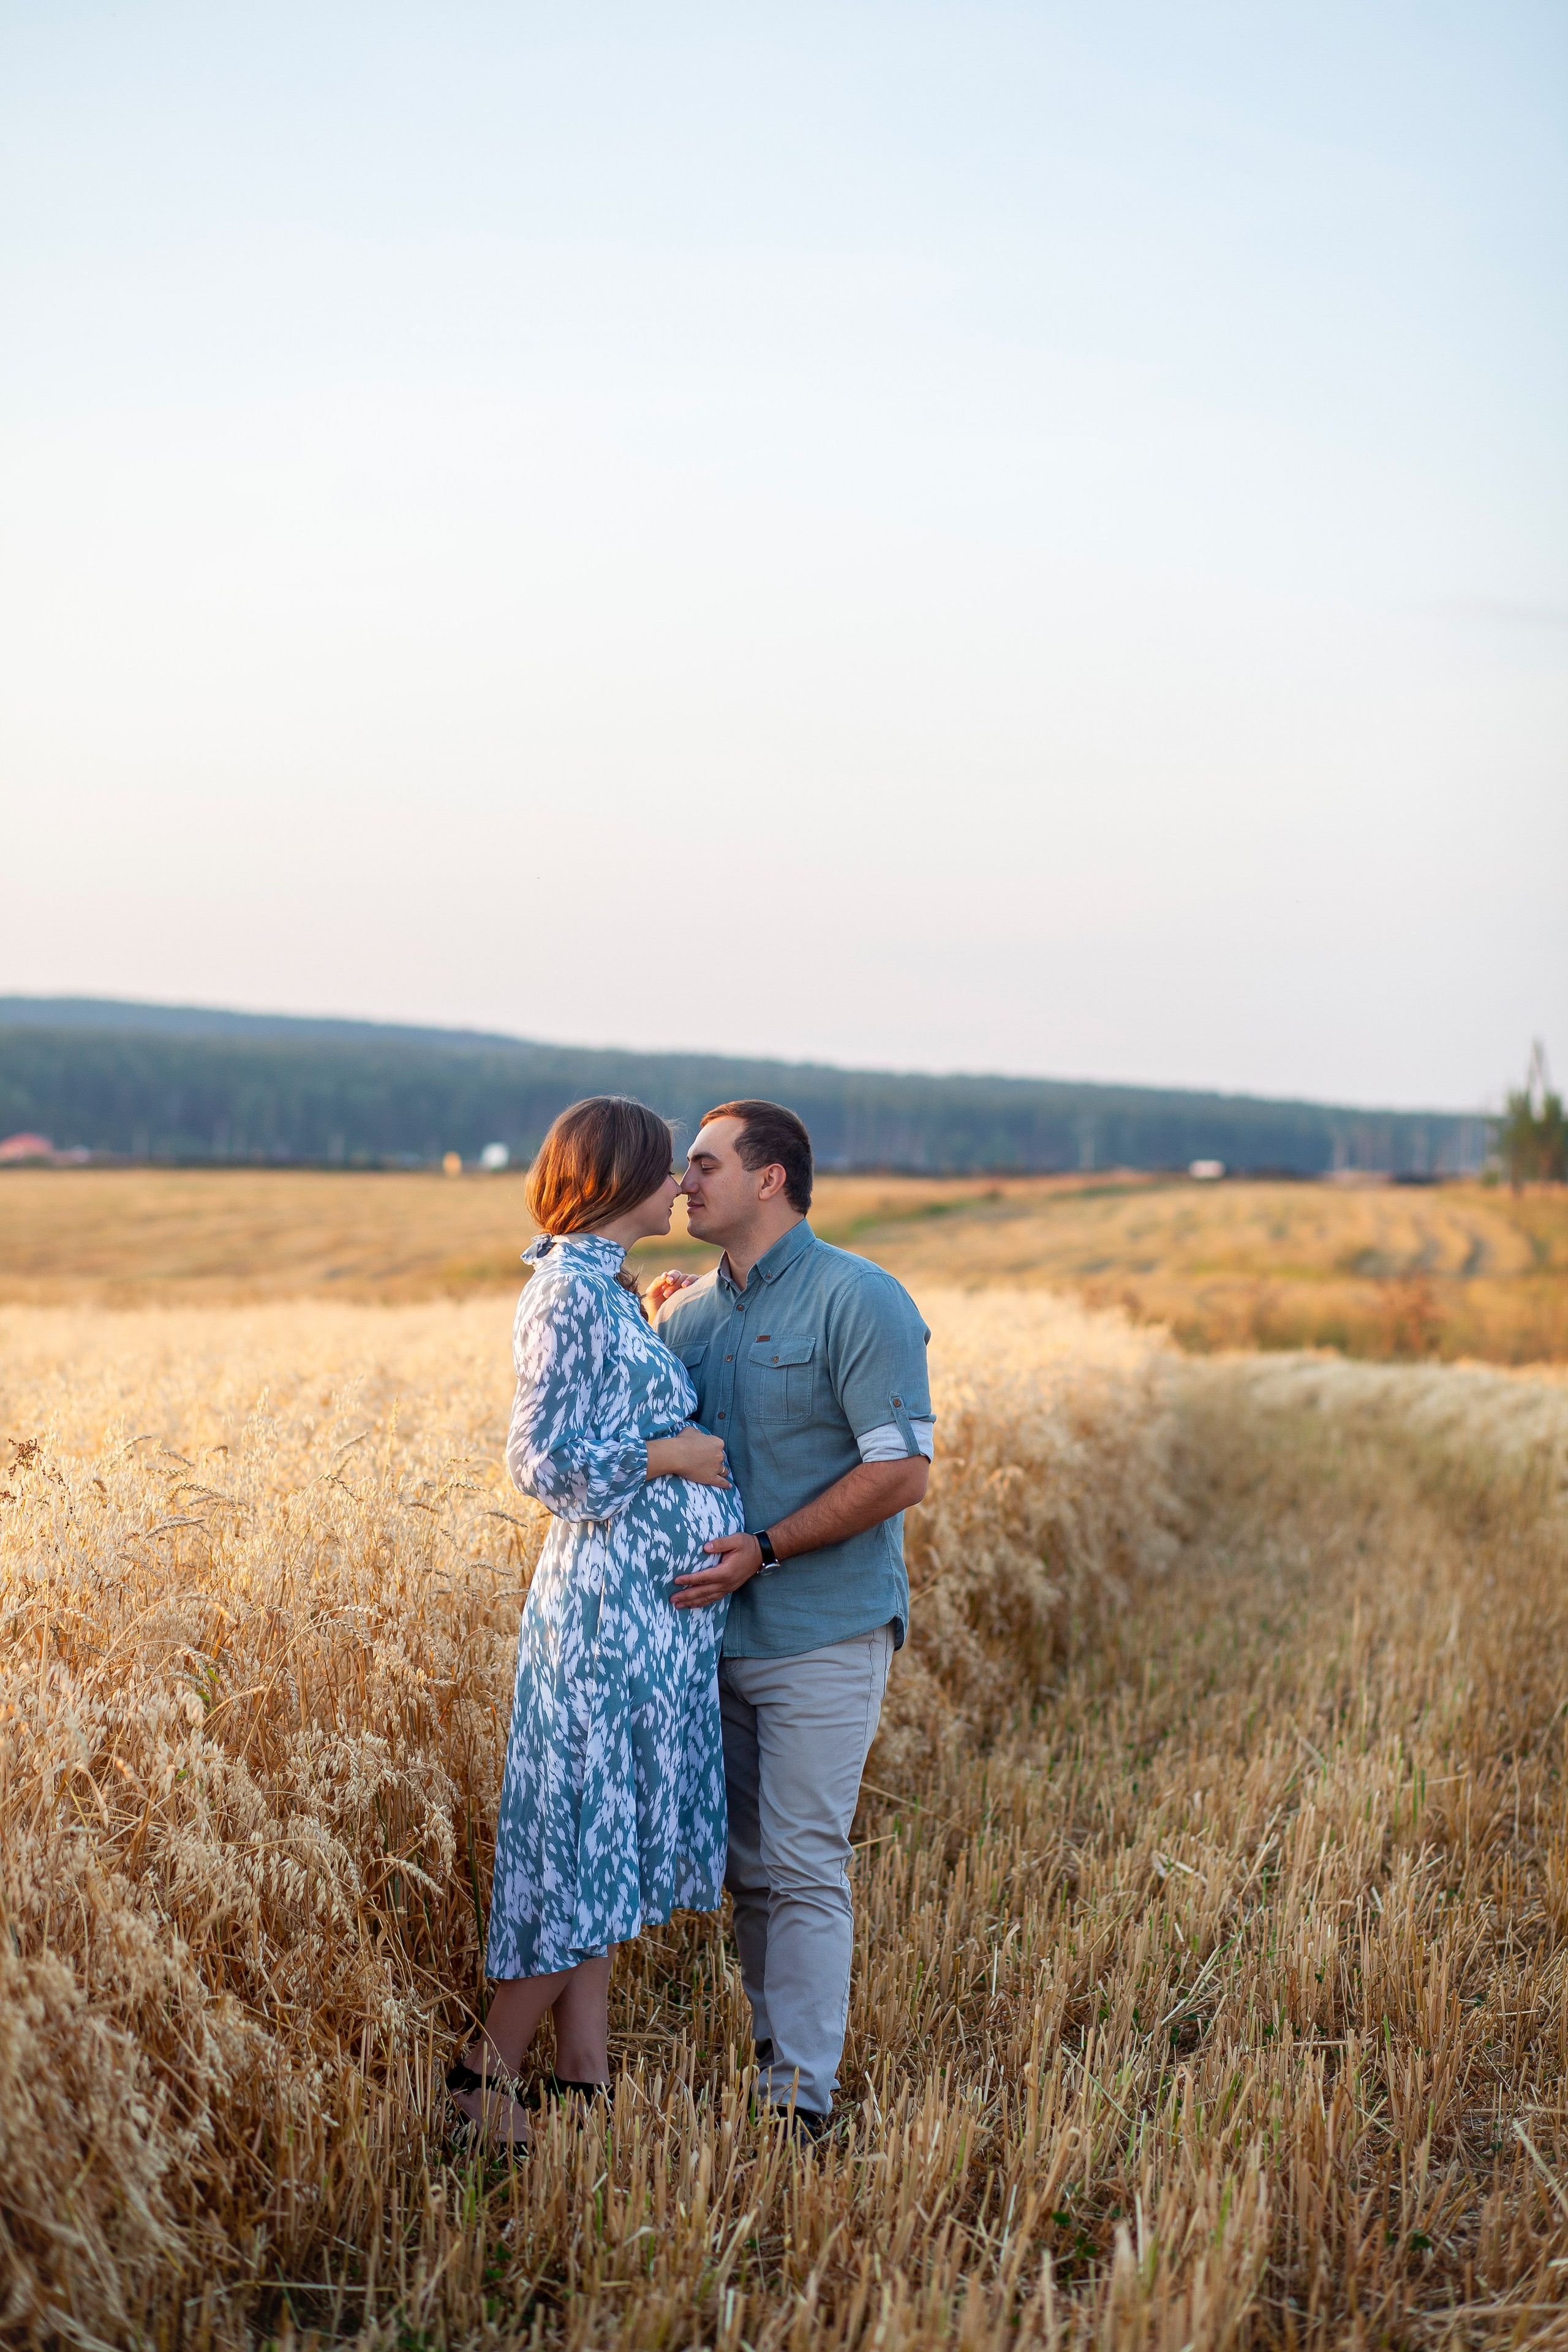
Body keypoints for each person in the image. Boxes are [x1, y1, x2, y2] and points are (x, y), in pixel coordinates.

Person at [447, 1096, 743, 2151]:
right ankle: (480, 2082)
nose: (679, 1187)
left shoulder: (603, 1292)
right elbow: (543, 1464)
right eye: (666, 1171)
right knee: (578, 1844)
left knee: (605, 1836)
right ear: (618, 1181)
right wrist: (673, 1456)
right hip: (605, 1616)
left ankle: (584, 2076)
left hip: (644, 1619)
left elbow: (604, 1412)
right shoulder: (566, 1295)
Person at [649, 1099, 933, 2139]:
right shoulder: (688, 1317)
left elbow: (901, 1472)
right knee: (751, 1873)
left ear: (771, 1179)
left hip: (824, 1626)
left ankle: (803, 2100)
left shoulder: (862, 1300)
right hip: (715, 1638)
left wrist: (766, 1550)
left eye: (706, 1165)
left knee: (805, 1857)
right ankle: (778, 2063)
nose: (685, 1184)